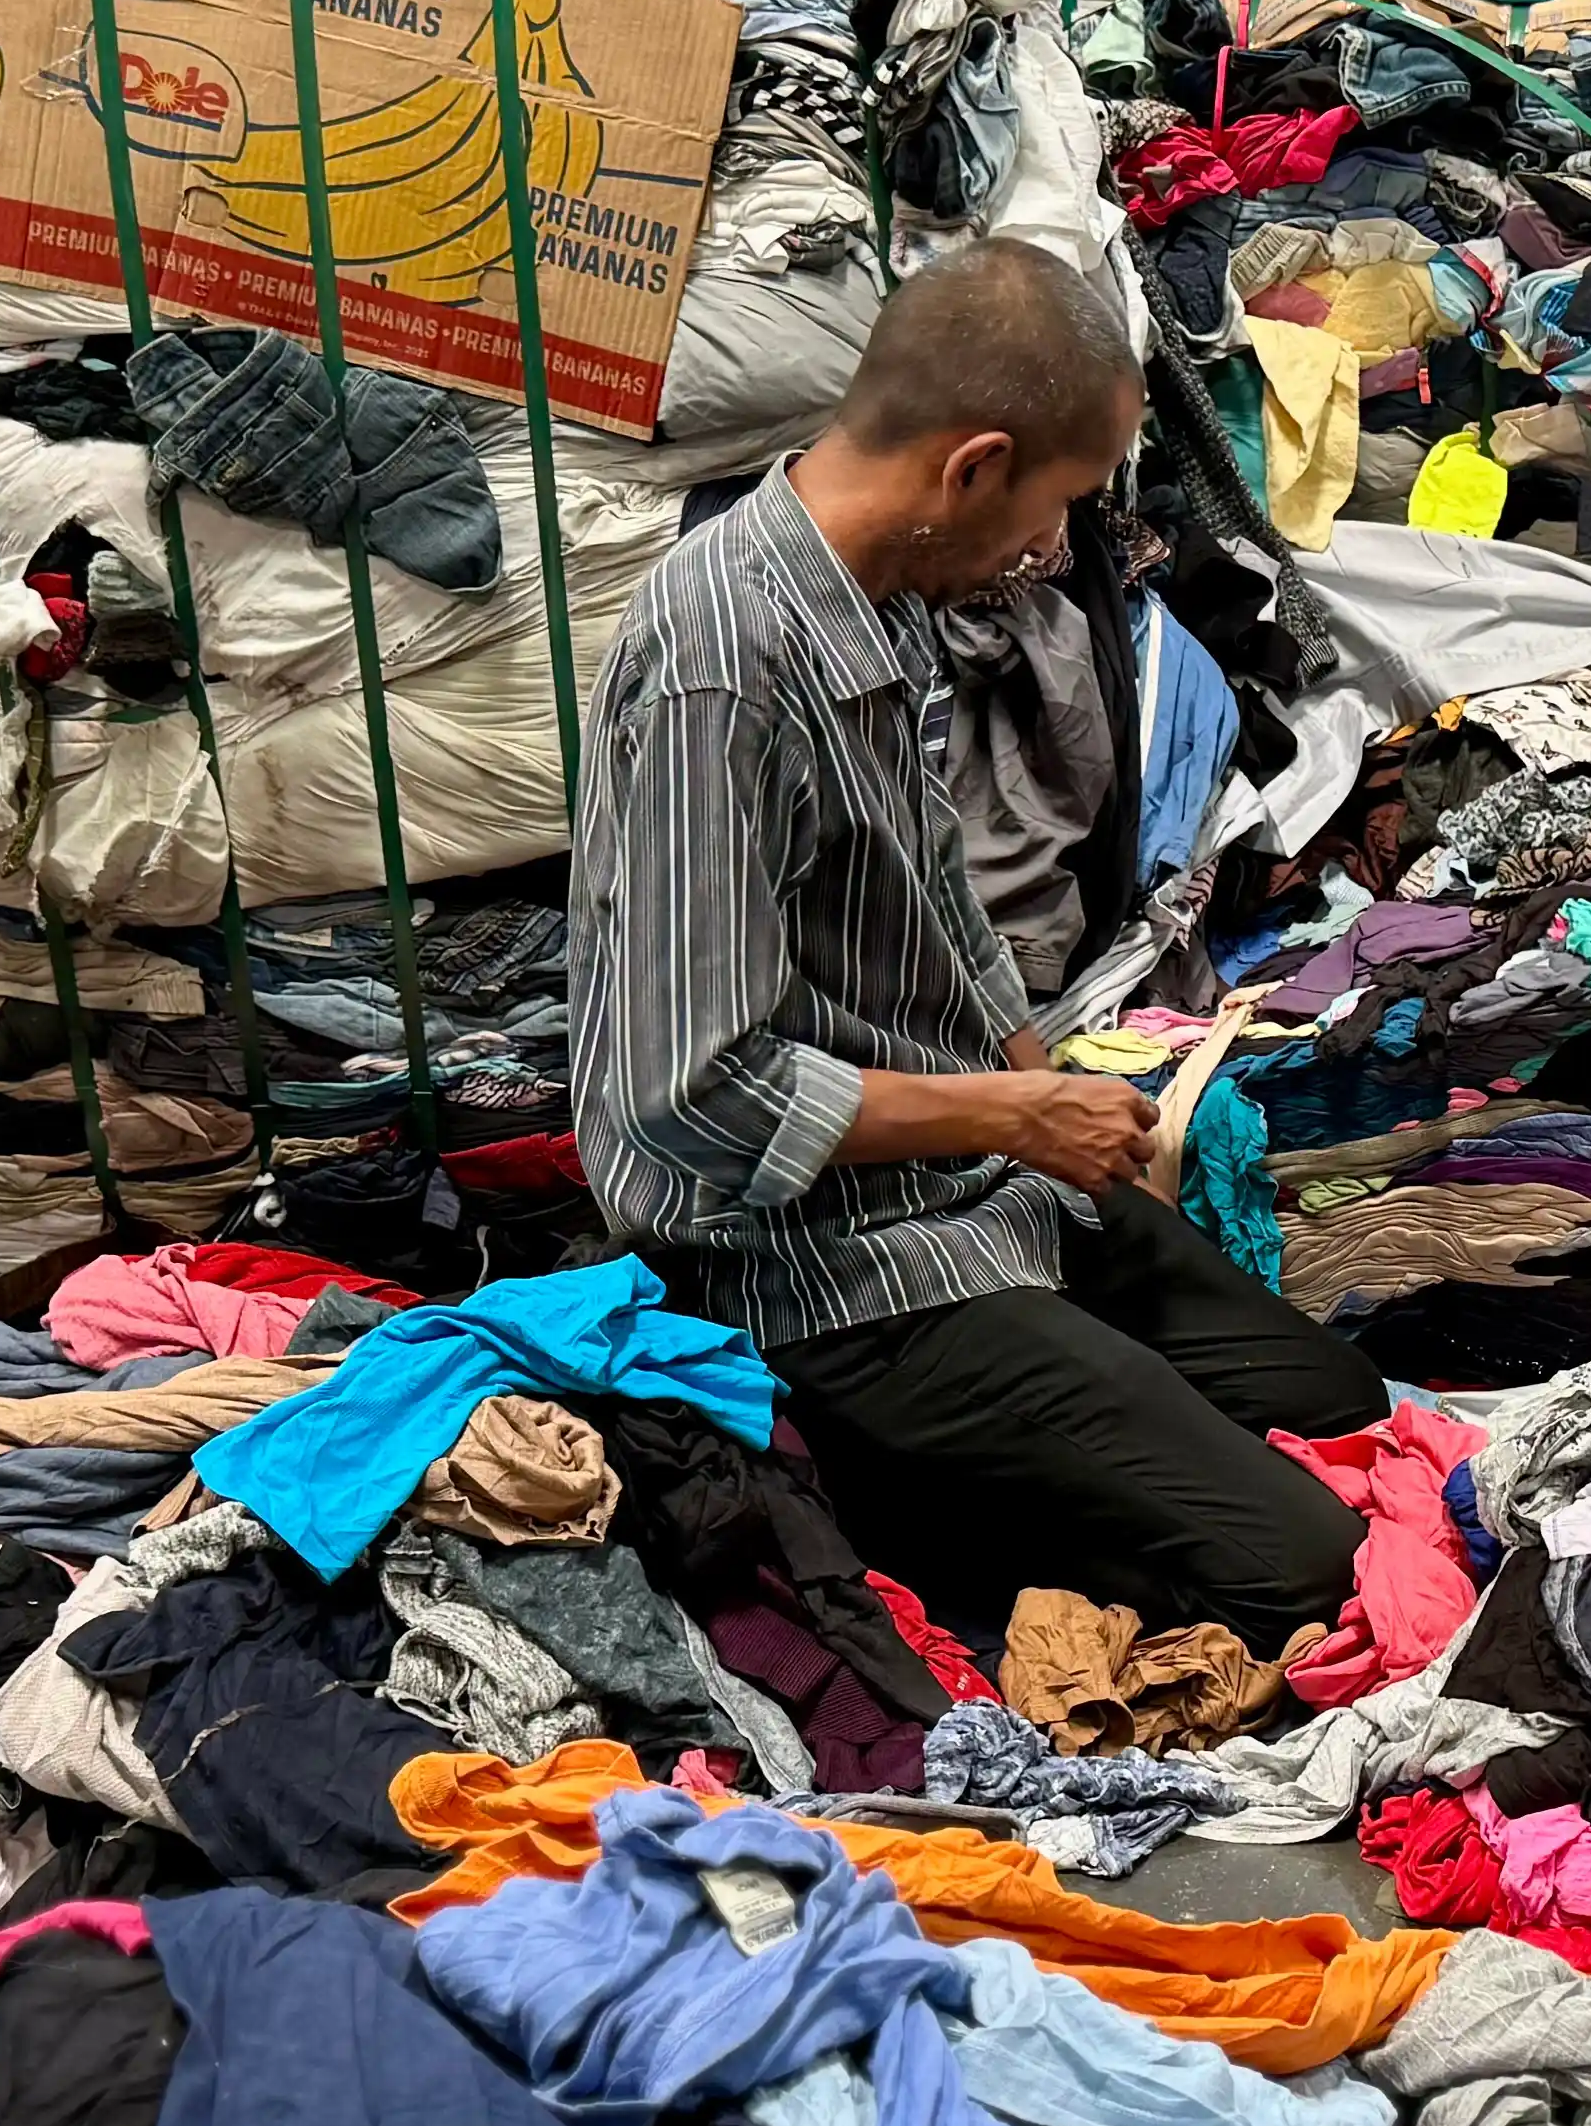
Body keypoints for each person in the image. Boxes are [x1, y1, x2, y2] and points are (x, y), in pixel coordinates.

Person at [569, 238, 1383, 1650]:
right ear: (973, 467)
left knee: (1342, 1412)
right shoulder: (721, 662)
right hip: (814, 1267)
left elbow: (936, 890)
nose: (1053, 550)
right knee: (1301, 1571)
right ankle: (894, 1516)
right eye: (1056, 504)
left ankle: (1013, 1445)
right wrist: (1014, 1113)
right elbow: (688, 1094)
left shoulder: (890, 599)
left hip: (972, 1187)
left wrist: (1037, 1078)